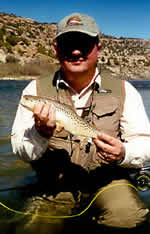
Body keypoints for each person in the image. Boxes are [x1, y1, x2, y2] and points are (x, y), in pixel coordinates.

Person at [11, 12, 150, 233]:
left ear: (98, 48)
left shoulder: (125, 90)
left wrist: (123, 152)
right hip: (55, 185)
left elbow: (145, 145)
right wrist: (40, 134)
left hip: (107, 181)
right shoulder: (33, 90)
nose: (76, 51)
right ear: (56, 49)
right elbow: (20, 150)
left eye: (84, 44)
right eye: (68, 44)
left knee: (128, 217)